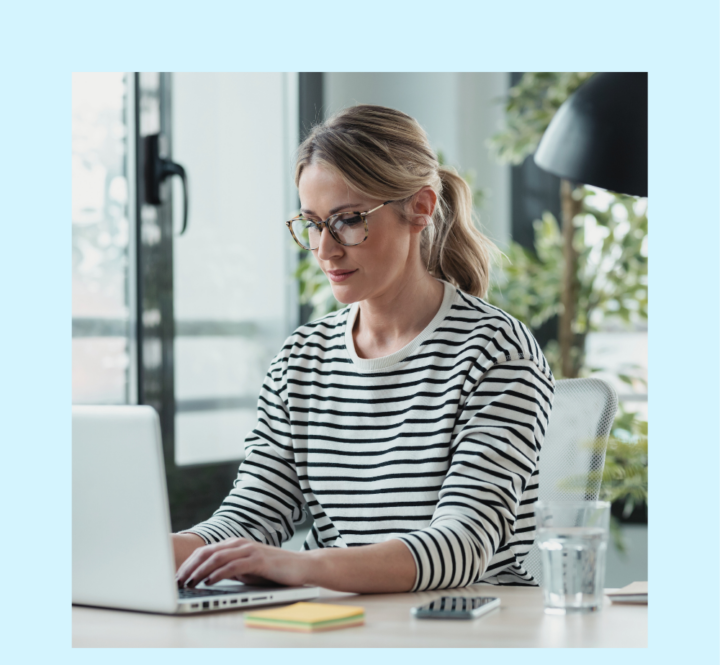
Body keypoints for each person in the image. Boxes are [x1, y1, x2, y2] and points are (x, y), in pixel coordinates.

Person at [174, 104, 554, 594]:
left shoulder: (496, 352)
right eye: (311, 223)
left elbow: (463, 544)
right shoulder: (301, 360)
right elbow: (250, 518)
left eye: (348, 220)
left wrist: (298, 566)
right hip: (339, 623)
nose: (325, 250)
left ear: (420, 208)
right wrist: (146, 550)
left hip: (463, 630)